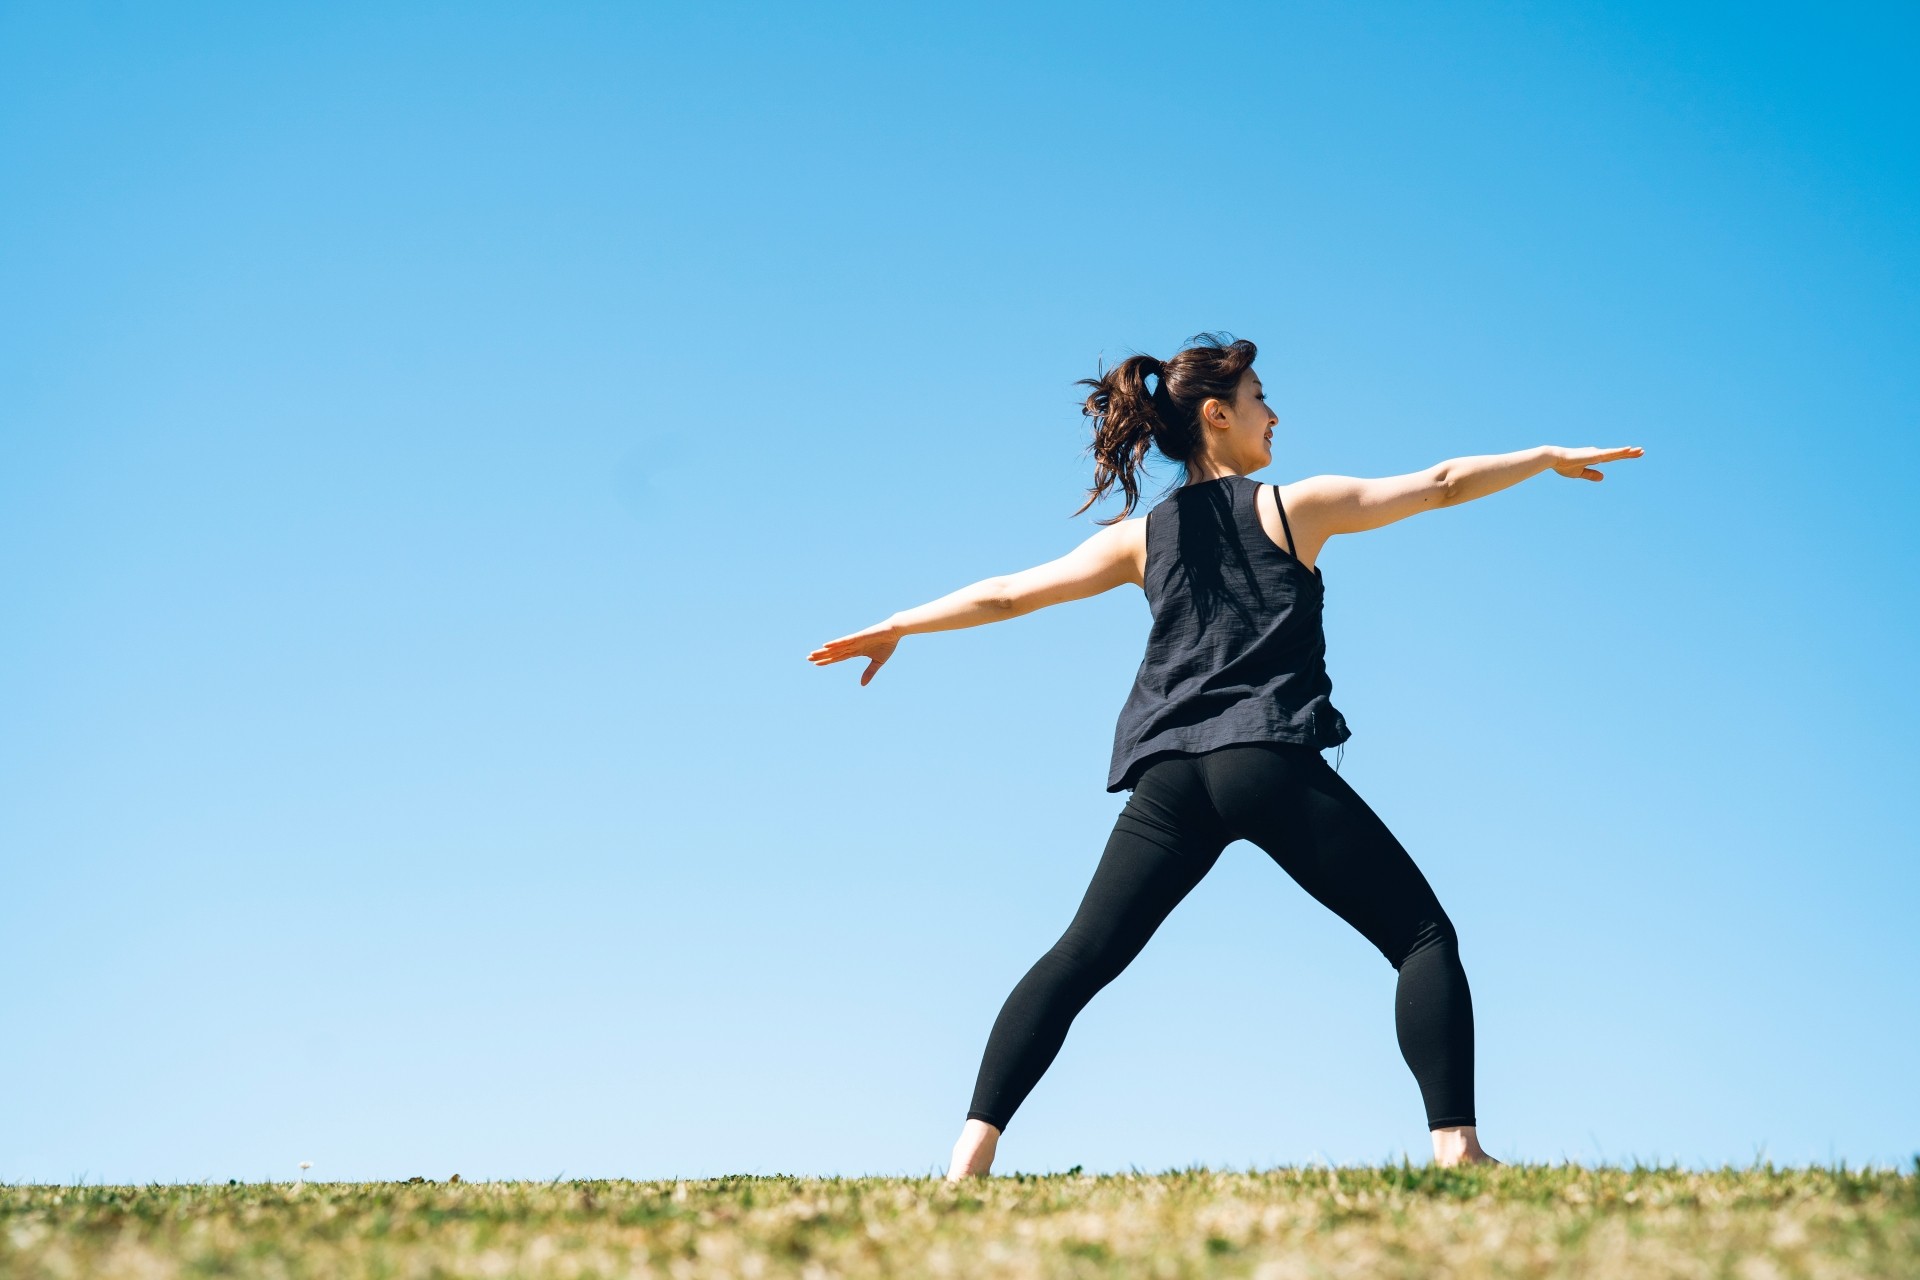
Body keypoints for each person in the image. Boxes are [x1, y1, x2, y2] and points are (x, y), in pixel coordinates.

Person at [806, 332, 1642, 1180]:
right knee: (1422, 935)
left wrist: (900, 624)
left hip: (1171, 774)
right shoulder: (1292, 507)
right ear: (1217, 415)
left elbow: (1010, 592)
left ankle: (967, 1158)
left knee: (1079, 956)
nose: (1274, 414)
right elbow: (1438, 485)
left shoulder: (1141, 538)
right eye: (1259, 399)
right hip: (1264, 759)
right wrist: (1543, 456)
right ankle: (1457, 1148)